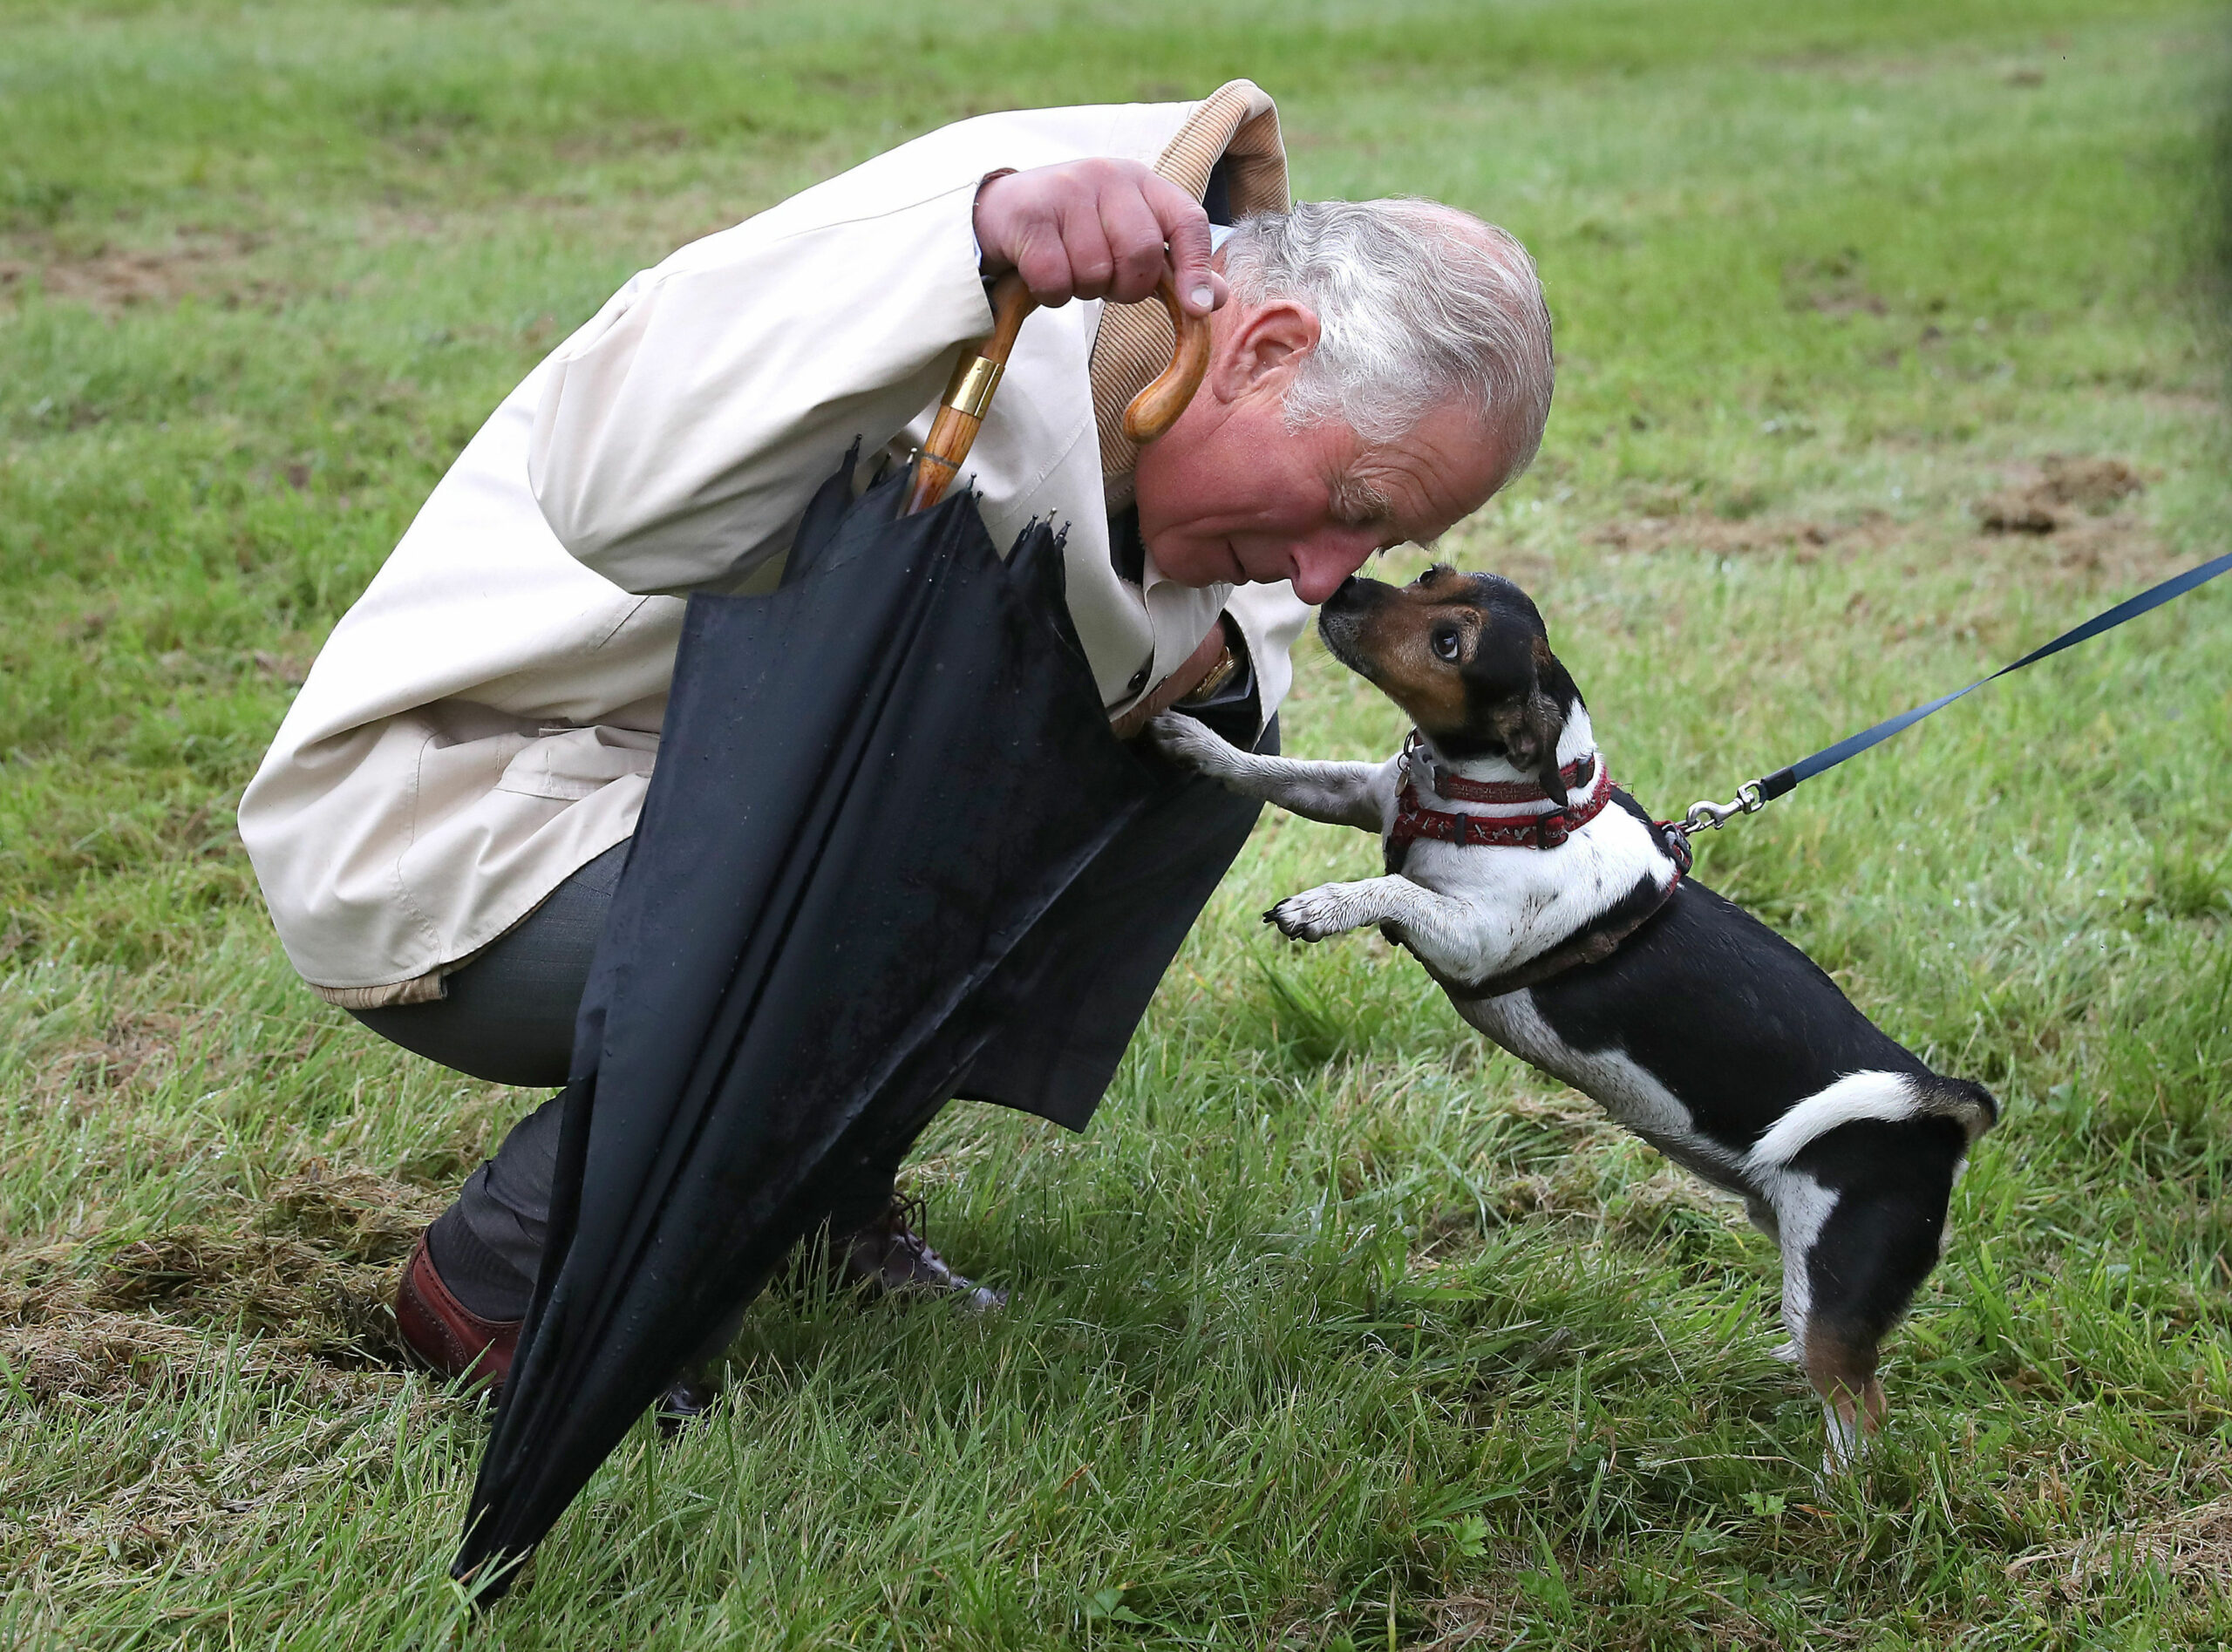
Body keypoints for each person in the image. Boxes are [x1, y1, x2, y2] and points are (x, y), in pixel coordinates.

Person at [235, 81, 1555, 1390]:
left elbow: (1179, 670)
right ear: (1262, 350)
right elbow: (611, 491)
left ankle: (807, 1191)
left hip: (729, 803)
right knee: (938, 862)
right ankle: (505, 1271)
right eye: (1348, 504)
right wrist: (967, 246)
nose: (1330, 577)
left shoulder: (1202, 362)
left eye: (1376, 541)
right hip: (472, 809)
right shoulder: (1000, 229)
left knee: (1196, 765)